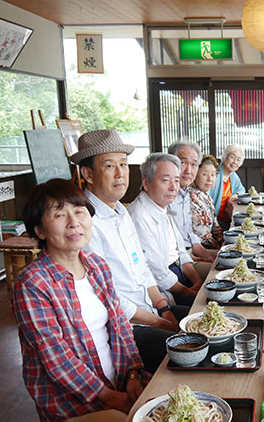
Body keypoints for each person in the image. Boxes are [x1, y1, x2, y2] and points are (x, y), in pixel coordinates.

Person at [12, 179, 145, 422]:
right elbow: (56, 358)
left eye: (79, 211)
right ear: (39, 230)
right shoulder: (32, 283)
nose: (73, 222)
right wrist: (110, 397)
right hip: (71, 402)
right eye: (59, 214)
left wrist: (133, 374)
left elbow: (120, 326)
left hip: (119, 380)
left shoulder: (96, 265)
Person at [69, 129, 188, 374]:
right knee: (192, 352)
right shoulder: (86, 222)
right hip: (126, 328)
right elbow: (108, 296)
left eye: (123, 164)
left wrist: (163, 307)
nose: (121, 173)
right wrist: (160, 322)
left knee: (206, 320)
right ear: (88, 173)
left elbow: (141, 267)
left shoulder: (121, 212)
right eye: (110, 166)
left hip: (152, 311)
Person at [128, 153, 202, 307]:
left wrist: (197, 281)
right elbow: (157, 272)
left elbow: (180, 251)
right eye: (165, 180)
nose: (173, 187)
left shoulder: (163, 205)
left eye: (176, 180)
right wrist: (190, 292)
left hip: (179, 271)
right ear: (146, 183)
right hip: (164, 285)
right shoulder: (139, 215)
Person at [167, 140, 215, 280]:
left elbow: (188, 232)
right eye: (183, 163)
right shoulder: (167, 196)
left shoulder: (185, 193)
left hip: (190, 252)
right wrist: (195, 258)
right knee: (226, 273)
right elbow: (173, 247)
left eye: (194, 164)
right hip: (179, 262)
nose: (188, 170)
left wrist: (205, 254)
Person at [190, 154, 224, 249]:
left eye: (213, 175)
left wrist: (224, 242)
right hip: (200, 248)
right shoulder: (191, 196)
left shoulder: (205, 195)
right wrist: (220, 248)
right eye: (204, 174)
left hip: (211, 244)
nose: (210, 179)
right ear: (195, 174)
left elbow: (215, 225)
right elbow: (201, 235)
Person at [208, 144, 246, 229]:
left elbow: (241, 190)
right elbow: (206, 196)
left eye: (238, 159)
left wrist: (236, 194)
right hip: (214, 221)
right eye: (232, 157)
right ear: (224, 157)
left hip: (227, 220)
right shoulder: (215, 173)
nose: (235, 162)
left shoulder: (233, 175)